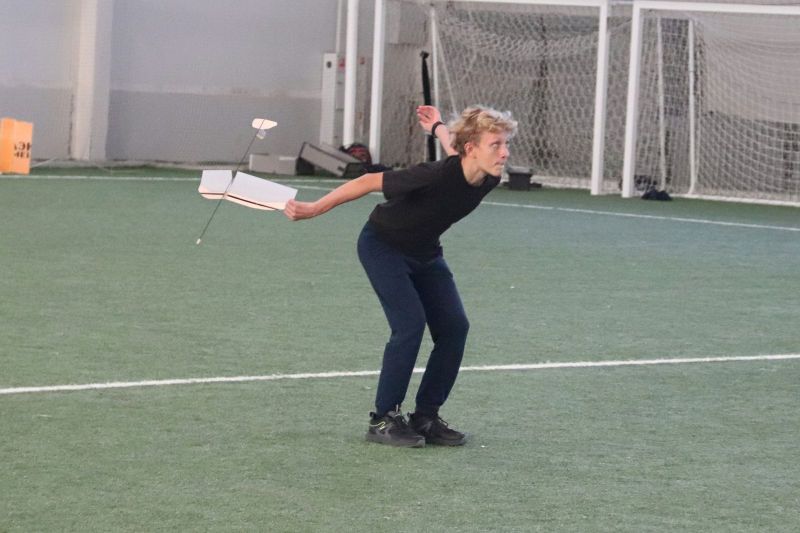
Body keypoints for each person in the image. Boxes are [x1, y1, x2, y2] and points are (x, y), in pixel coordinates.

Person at [284, 105, 517, 447]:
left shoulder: (486, 175)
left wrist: (438, 126)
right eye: (496, 144)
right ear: (473, 149)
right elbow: (368, 181)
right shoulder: (434, 174)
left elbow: (456, 148)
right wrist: (315, 208)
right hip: (383, 246)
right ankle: (382, 419)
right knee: (409, 324)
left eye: (505, 144)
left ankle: (425, 417)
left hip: (426, 253)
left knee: (454, 327)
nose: (505, 152)